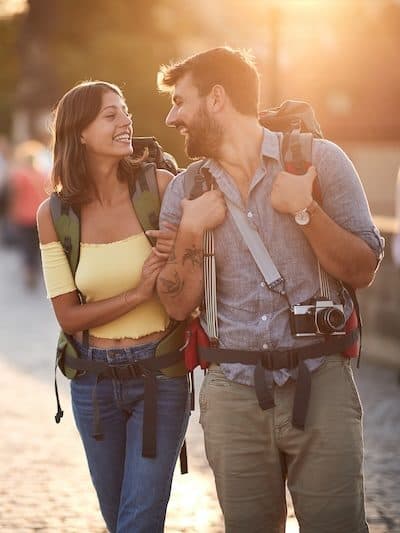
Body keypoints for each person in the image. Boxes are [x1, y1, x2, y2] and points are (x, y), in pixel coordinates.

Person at [156, 47, 384, 533]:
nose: (172, 116)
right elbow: (176, 304)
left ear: (217, 98)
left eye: (180, 101)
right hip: (232, 393)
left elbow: (364, 269)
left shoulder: (321, 161)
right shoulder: (185, 190)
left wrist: (306, 212)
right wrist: (191, 233)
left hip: (321, 381)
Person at [36, 81, 190, 533]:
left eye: (125, 112)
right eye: (110, 114)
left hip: (160, 375)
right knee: (116, 519)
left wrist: (185, 248)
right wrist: (138, 295)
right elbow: (68, 317)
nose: (126, 121)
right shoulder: (55, 214)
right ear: (79, 132)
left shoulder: (160, 188)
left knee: (138, 521)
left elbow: (192, 285)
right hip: (93, 384)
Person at [9, 140, 48, 288]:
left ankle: (29, 271)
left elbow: (15, 195)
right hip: (40, 217)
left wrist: (13, 212)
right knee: (39, 247)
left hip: (24, 217)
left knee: (27, 247)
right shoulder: (43, 174)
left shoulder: (19, 175)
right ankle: (38, 270)